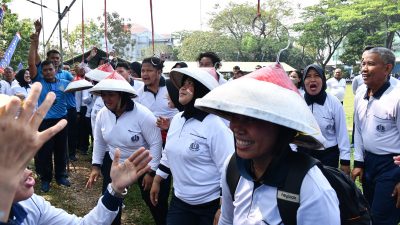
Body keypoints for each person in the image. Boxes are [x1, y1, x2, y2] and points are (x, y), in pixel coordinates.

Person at [194, 64, 340, 225]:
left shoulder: (312, 189)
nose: (234, 127)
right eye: (234, 116)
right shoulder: (233, 166)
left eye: (251, 118)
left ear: (282, 127)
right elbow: (227, 220)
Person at [0, 82, 152, 224]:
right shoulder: (103, 114)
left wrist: (115, 190)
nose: (27, 171)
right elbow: (99, 141)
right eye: (7, 163)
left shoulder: (32, 204)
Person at [150, 67, 234, 225]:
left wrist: (223, 208)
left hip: (209, 204)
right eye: (182, 84)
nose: (182, 87)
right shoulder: (177, 119)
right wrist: (157, 180)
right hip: (180, 200)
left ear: (201, 90)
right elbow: (169, 153)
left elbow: (227, 168)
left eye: (190, 84)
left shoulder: (215, 126)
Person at [86, 71, 164, 225]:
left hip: (142, 164)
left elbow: (156, 142)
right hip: (115, 164)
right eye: (103, 95)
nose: (106, 99)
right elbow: (99, 141)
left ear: (122, 95)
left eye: (111, 95)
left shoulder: (143, 115)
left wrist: (151, 172)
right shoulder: (102, 114)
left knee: (154, 202)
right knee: (110, 201)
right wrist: (96, 166)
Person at [352, 47, 400, 224]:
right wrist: (359, 162)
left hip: (392, 166)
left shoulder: (397, 96)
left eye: (370, 64)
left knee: (382, 218)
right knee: (368, 213)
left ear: (387, 69)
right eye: (363, 63)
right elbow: (358, 129)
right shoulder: (360, 93)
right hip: (369, 163)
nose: (364, 68)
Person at [299, 64, 351, 173]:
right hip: (302, 154)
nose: (312, 79)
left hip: (328, 155)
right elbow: (291, 130)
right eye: (308, 76)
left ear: (323, 79)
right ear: (304, 81)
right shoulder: (297, 101)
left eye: (317, 75)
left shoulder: (334, 102)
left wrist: (345, 160)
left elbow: (342, 133)